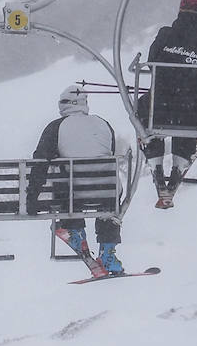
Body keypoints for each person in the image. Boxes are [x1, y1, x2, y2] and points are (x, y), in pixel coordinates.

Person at [28, 85, 125, 274]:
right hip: (108, 193)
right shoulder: (103, 124)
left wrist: (32, 198)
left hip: (74, 195)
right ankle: (108, 252)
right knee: (107, 196)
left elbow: (40, 163)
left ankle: (74, 231)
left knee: (65, 179)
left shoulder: (56, 127)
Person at [139, 0, 197, 206]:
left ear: (180, 10)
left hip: (159, 108)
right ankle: (179, 166)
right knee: (189, 115)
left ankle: (156, 163)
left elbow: (152, 62)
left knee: (142, 112)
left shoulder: (165, 34)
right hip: (191, 112)